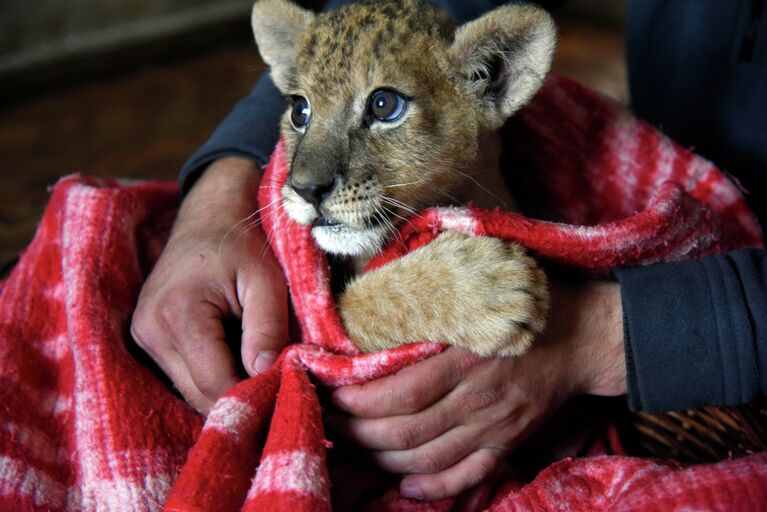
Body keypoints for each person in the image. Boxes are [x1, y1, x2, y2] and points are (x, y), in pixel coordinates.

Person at [131, 0, 767, 501]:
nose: (312, 176)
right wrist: (224, 176)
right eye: (298, 112)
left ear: (492, 79)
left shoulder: (483, 103)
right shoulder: (313, 172)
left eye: (383, 107)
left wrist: (601, 334)